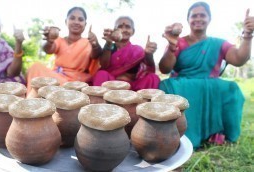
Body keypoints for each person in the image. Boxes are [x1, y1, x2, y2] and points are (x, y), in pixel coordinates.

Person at [159, 1, 253, 148]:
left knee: (232, 88)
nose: (198, 18)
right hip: (183, 83)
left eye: (202, 15)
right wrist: (171, 47)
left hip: (210, 84)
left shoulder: (219, 43)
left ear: (209, 19)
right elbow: (165, 69)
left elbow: (238, 59)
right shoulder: (178, 42)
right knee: (166, 85)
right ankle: (178, 134)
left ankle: (218, 134)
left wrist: (247, 36)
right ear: (188, 19)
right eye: (194, 16)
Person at [26, 6, 102, 96]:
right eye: (72, 18)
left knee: (48, 86)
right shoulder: (59, 40)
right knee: (36, 67)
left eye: (80, 19)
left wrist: (95, 44)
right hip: (55, 78)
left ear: (85, 24)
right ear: (66, 21)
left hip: (74, 83)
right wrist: (50, 40)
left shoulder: (88, 43)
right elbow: (49, 49)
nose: (76, 22)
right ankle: (31, 104)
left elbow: (96, 54)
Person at [92, 16, 160, 91]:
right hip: (111, 85)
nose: (124, 30)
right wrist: (108, 44)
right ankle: (102, 101)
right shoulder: (109, 47)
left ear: (133, 31)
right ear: (114, 30)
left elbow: (148, 69)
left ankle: (142, 101)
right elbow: (104, 66)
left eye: (128, 27)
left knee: (153, 77)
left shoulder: (138, 50)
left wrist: (149, 54)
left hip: (133, 87)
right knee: (101, 74)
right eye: (120, 26)